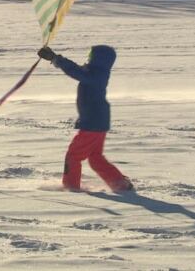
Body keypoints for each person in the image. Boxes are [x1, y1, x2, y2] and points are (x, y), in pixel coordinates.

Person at [37, 45, 133, 193]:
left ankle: (71, 187)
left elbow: (76, 72)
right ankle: (120, 184)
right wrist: (55, 58)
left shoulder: (96, 75)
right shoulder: (96, 72)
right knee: (95, 158)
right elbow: (77, 70)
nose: (88, 58)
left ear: (98, 58)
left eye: (91, 55)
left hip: (93, 123)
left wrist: (55, 59)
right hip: (97, 122)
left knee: (73, 156)